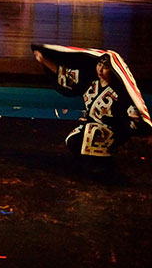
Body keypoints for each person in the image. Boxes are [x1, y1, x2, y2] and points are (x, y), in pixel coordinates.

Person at [32, 44, 151, 172]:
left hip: (111, 132)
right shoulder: (90, 81)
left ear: (113, 70)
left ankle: (105, 164)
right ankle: (94, 164)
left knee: (91, 136)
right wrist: (44, 60)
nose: (100, 70)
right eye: (99, 65)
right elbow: (67, 75)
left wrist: (139, 127)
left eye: (105, 67)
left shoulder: (120, 93)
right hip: (91, 126)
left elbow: (132, 115)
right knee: (73, 140)